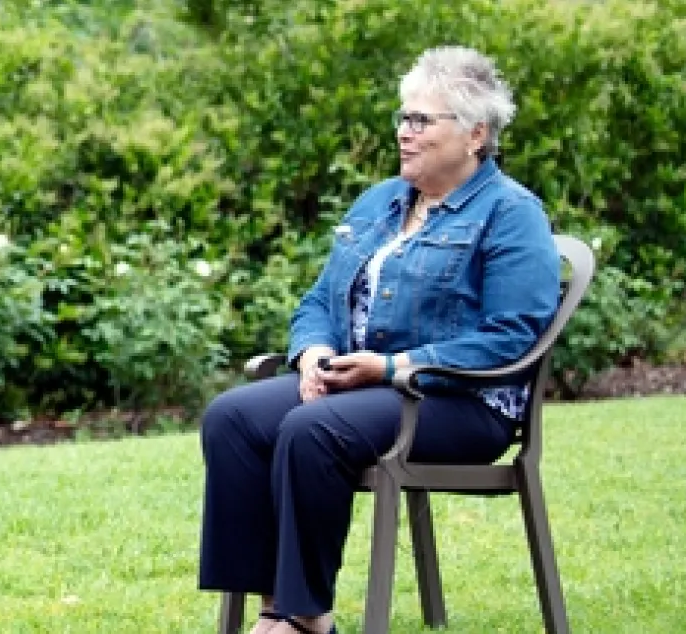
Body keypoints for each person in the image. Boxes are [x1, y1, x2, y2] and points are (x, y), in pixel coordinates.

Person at [196, 46, 560, 634]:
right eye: (403, 117)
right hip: (364, 388)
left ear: (475, 134)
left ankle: (303, 619)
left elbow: (512, 336)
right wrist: (313, 352)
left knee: (311, 428)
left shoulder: (512, 214)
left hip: (463, 404)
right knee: (232, 418)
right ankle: (273, 609)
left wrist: (393, 367)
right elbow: (320, 299)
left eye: (421, 120)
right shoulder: (380, 203)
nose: (404, 133)